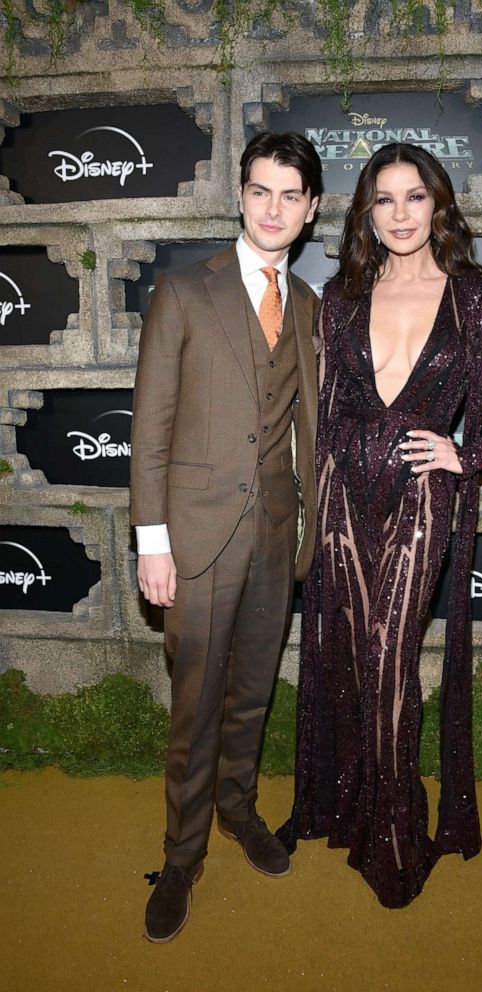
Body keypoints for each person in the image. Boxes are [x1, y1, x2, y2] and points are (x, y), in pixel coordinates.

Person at [278, 142, 482, 908]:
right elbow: (321, 405)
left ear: (439, 205)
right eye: (384, 200)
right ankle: (352, 807)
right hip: (342, 497)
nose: (400, 214)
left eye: (415, 197)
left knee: (391, 660)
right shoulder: (340, 298)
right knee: (351, 662)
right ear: (365, 212)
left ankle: (396, 834)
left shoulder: (477, 296)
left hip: (421, 499)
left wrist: (467, 455)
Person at [130, 132, 322, 941]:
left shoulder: (310, 307)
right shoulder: (182, 292)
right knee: (195, 708)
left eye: (290, 195)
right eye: (260, 191)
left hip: (277, 534)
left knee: (249, 697)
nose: (273, 208)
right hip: (195, 540)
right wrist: (152, 541)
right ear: (239, 196)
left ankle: (238, 810)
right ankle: (180, 857)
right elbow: (150, 430)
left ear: (311, 209)